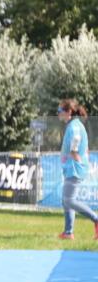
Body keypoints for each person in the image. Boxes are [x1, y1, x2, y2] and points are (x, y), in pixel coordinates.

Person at [56, 99, 98, 240]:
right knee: (66, 200)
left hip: (74, 168)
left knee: (69, 200)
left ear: (68, 112)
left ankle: (96, 219)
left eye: (60, 111)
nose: (58, 114)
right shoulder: (75, 124)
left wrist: (75, 155)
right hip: (73, 167)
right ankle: (68, 232)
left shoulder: (74, 127)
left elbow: (76, 141)